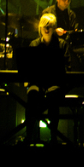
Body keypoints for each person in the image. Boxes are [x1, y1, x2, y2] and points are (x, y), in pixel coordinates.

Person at [25, 13, 70, 144]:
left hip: (56, 84)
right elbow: (28, 68)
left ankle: (53, 137)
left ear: (54, 28)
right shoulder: (34, 44)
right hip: (37, 83)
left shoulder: (62, 45)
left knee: (53, 96)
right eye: (44, 26)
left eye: (49, 26)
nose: (47, 29)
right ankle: (29, 136)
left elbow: (68, 68)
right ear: (40, 27)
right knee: (32, 95)